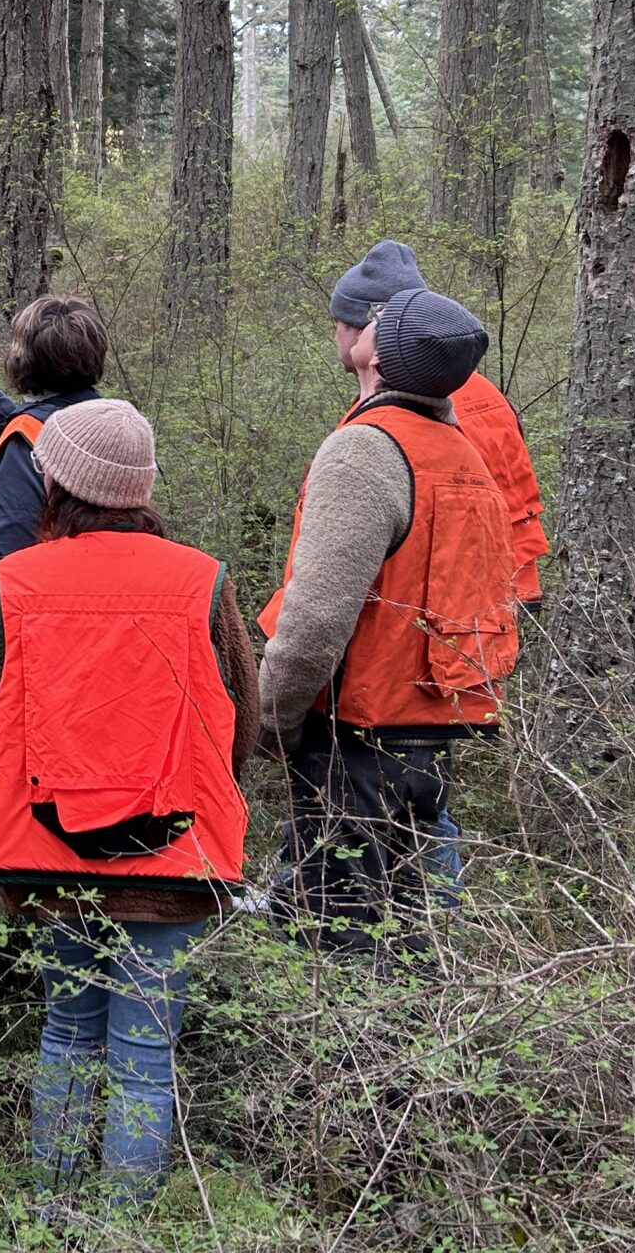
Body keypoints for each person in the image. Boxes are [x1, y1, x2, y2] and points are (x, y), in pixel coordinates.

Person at [0, 399, 258, 1209]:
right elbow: (242, 717)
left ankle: (52, 1216)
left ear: (55, 480)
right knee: (143, 1054)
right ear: (143, 488)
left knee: (66, 1032)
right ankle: (123, 1230)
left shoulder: (11, 581)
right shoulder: (204, 580)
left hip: (49, 858)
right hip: (176, 862)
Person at [257, 287, 519, 958]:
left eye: (378, 321)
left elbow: (314, 624)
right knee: (405, 948)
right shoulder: (463, 456)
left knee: (339, 954)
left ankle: (347, 1065)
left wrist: (272, 723)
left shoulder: (365, 452)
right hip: (428, 742)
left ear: (382, 352)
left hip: (353, 749)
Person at [324, 240, 546, 901]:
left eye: (342, 324)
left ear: (372, 330)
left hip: (452, 614)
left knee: (403, 785)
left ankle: (430, 915)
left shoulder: (436, 405)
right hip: (479, 607)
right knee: (416, 781)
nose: (336, 338)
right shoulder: (459, 387)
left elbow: (433, 533)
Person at [0, 294, 111, 639]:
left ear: (24, 361)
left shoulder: (24, 450)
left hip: (36, 626)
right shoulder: (107, 420)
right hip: (93, 603)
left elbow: (3, 562)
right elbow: (50, 434)